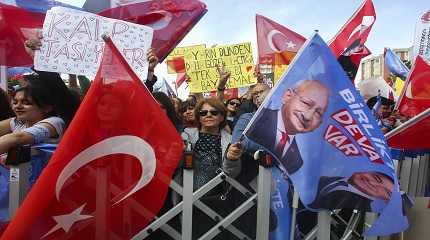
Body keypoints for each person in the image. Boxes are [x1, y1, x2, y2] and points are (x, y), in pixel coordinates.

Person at [173, 97, 240, 240]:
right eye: (203, 113)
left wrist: (231, 159)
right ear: (198, 117)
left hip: (219, 203)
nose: (208, 115)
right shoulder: (185, 137)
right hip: (187, 201)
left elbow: (231, 174)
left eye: (214, 112)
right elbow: (176, 167)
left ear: (222, 116)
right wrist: (178, 152)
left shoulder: (231, 141)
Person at [247, 79, 330, 175]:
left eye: (318, 113)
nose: (308, 116)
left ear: (319, 124)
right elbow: (241, 142)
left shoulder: (297, 162)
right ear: (288, 96)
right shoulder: (254, 123)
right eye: (306, 103)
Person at [0, 72, 79, 155]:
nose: (18, 106)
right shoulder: (17, 122)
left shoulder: (54, 122)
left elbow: (18, 138)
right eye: (15, 102)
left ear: (47, 108)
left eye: (26, 103)